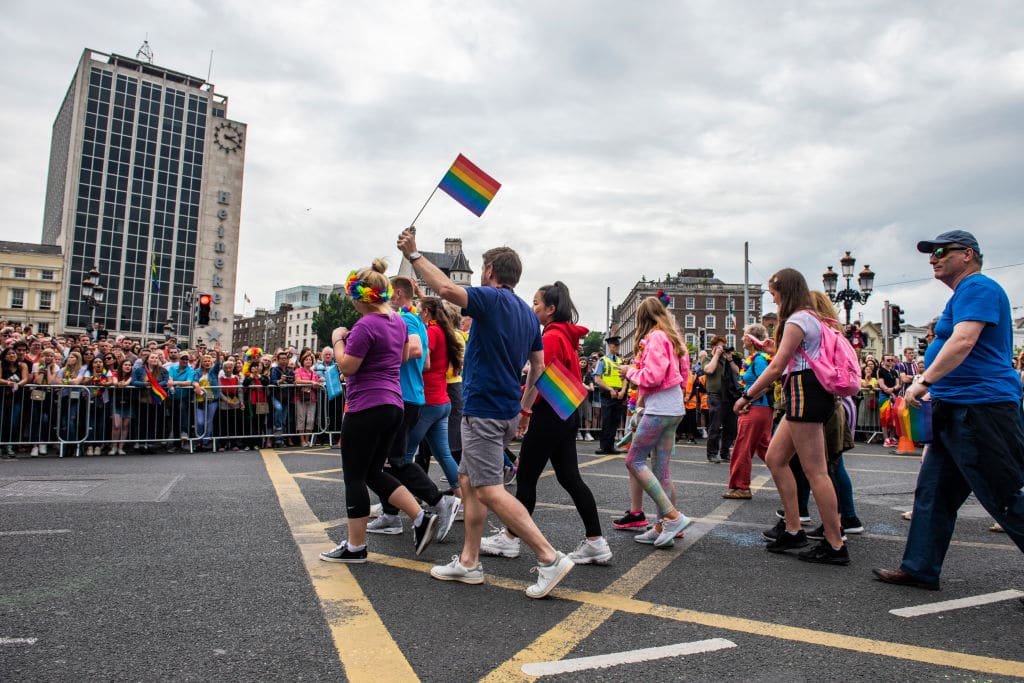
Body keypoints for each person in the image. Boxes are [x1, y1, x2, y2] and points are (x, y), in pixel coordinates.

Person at [398, 230, 574, 599]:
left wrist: (414, 255)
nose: (480, 274)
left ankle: (549, 557)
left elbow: (446, 289)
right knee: (468, 483)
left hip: (484, 409)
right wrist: (525, 408)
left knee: (490, 490)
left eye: (482, 269)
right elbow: (538, 366)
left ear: (490, 270)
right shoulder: (528, 314)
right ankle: (469, 561)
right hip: (506, 409)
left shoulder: (491, 299)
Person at [875, 230, 1024, 590]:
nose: (933, 258)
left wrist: (923, 381)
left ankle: (920, 567)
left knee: (1004, 493)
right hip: (955, 406)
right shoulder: (962, 294)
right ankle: (920, 568)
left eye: (941, 251)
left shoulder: (978, 287)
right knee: (934, 493)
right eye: (931, 253)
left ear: (968, 254)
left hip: (981, 407)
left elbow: (964, 340)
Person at [479, 282, 611, 565]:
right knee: (569, 478)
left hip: (548, 415)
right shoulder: (565, 335)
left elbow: (537, 378)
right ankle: (595, 541)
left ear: (550, 309)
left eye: (536, 303)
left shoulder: (551, 337)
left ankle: (510, 539)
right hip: (566, 413)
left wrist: (524, 412)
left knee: (527, 478)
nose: (532, 307)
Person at [318, 259, 438, 564]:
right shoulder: (398, 322)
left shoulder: (366, 325)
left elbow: (348, 366)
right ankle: (420, 517)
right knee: (374, 472)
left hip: (366, 406)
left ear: (360, 297)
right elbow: (402, 356)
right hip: (393, 405)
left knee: (354, 477)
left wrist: (338, 339)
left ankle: (355, 547)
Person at [734, 268, 850, 565]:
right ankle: (793, 528)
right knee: (776, 458)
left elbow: (777, 367)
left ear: (785, 292)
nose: (773, 300)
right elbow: (793, 355)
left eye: (774, 294)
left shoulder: (797, 319)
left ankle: (835, 543)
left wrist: (747, 396)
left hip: (804, 392)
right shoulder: (812, 318)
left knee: (816, 472)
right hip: (808, 391)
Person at [367, 278, 460, 543]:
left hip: (406, 398)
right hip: (417, 396)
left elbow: (418, 350)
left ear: (397, 294)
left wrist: (377, 359)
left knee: (395, 460)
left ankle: (436, 501)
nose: (384, 297)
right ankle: (392, 514)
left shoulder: (406, 320)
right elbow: (426, 362)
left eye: (388, 292)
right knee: (392, 459)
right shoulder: (417, 321)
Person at [618, 296, 691, 547]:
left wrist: (630, 372)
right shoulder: (672, 337)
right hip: (672, 406)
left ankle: (673, 517)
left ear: (642, 318)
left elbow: (653, 376)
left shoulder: (656, 337)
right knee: (661, 470)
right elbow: (683, 374)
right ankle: (662, 528)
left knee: (634, 460)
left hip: (660, 409)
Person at [723, 324, 773, 499]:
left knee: (742, 447)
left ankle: (741, 487)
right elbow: (749, 377)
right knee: (765, 449)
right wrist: (731, 361)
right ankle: (794, 479)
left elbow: (767, 384)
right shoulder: (755, 359)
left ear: (751, 339)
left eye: (744, 335)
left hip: (755, 408)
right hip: (760, 407)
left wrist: (746, 400)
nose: (741, 338)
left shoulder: (759, 360)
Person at [702, 335, 740, 464]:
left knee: (730, 426)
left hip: (729, 396)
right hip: (715, 395)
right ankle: (712, 453)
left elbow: (738, 372)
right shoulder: (707, 358)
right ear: (713, 347)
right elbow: (709, 370)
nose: (723, 348)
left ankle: (725, 452)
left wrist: (730, 359)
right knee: (715, 425)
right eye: (720, 346)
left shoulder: (727, 360)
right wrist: (716, 355)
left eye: (724, 346)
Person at [594, 336, 627, 455]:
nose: (617, 347)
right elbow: (597, 379)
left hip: (619, 394)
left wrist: (623, 391)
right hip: (608, 394)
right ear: (609, 346)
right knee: (607, 420)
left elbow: (625, 378)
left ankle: (611, 446)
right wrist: (610, 389)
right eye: (614, 345)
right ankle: (603, 447)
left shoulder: (620, 361)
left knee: (615, 421)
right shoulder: (602, 361)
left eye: (618, 345)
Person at [293, 350, 321, 447]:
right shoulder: (298, 370)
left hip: (312, 398)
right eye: (306, 359)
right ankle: (302, 440)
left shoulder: (314, 373)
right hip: (300, 397)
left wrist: (317, 383)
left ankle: (307, 439)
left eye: (310, 360)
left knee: (310, 419)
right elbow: (297, 381)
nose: (308, 361)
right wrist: (311, 382)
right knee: (301, 418)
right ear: (302, 361)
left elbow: (316, 385)